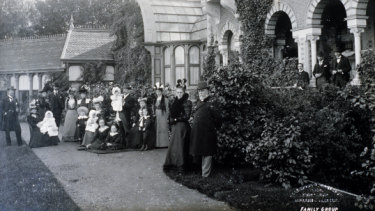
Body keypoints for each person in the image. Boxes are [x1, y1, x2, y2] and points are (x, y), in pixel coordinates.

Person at [189, 81, 222, 177]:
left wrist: (212, 128)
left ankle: (205, 175)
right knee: (198, 152)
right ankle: (199, 173)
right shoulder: (199, 102)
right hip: (197, 133)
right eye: (199, 91)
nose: (201, 93)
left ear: (208, 91)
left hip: (207, 133)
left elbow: (219, 119)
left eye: (203, 91)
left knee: (207, 153)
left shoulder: (212, 102)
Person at [164, 85, 192, 171]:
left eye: (181, 92)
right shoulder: (174, 101)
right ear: (176, 92)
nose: (179, 94)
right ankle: (173, 162)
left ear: (184, 93)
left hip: (182, 127)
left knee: (181, 145)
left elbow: (187, 116)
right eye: (178, 92)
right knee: (174, 145)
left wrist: (176, 119)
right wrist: (170, 120)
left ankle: (181, 164)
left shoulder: (187, 102)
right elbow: (171, 113)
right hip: (175, 126)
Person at [153, 83, 169, 148]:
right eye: (156, 91)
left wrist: (167, 117)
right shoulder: (156, 99)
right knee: (157, 127)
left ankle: (164, 143)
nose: (157, 93)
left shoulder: (165, 99)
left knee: (163, 127)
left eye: (159, 91)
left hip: (163, 115)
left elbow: (167, 108)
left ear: (161, 92)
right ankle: (158, 144)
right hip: (157, 114)